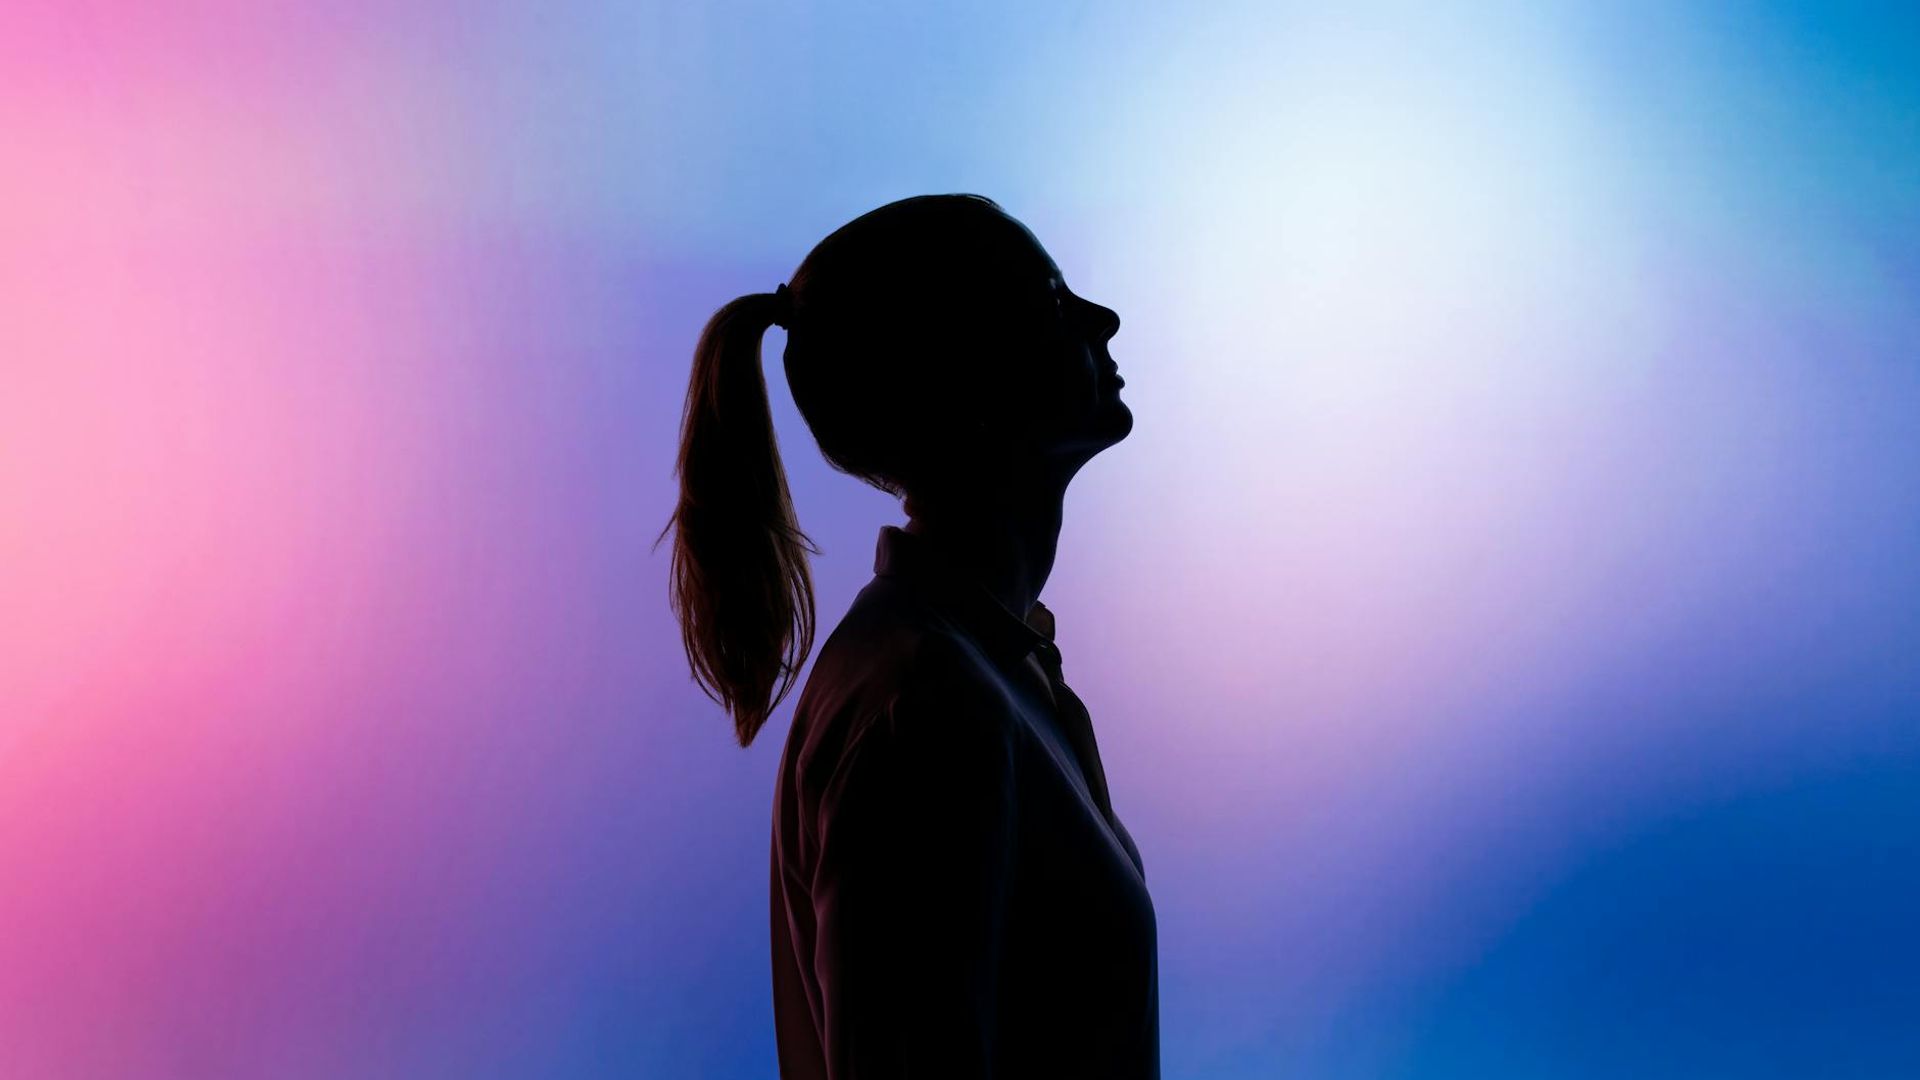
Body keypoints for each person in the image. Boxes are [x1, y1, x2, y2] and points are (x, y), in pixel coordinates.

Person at [660, 193, 1155, 1078]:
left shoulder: (977, 673)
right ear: (968, 377)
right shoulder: (926, 706)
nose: (1102, 318)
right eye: (1050, 301)